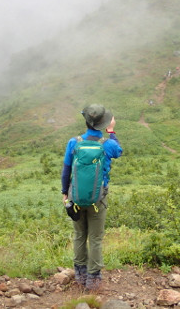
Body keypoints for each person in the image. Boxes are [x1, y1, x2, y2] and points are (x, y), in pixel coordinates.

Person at [61, 104, 123, 291]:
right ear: (102, 124)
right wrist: (111, 131)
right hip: (98, 200)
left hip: (76, 198)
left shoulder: (74, 142)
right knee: (95, 239)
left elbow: (66, 171)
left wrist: (65, 193)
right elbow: (119, 151)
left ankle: (80, 275)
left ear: (86, 121)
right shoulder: (108, 144)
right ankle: (93, 280)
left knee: (79, 235)